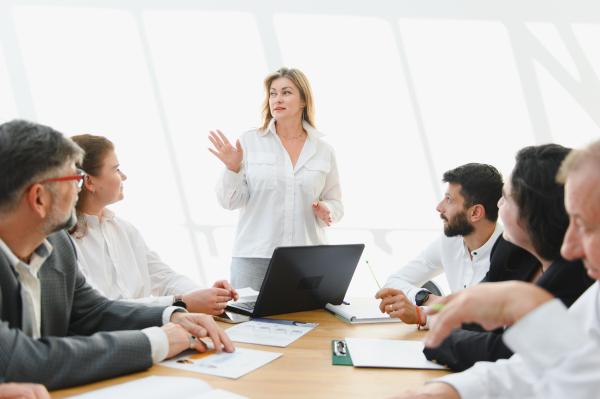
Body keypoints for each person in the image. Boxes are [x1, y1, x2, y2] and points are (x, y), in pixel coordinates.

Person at [0, 120, 234, 390]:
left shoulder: (57, 246)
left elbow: (93, 311)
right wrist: (159, 341)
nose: (79, 189)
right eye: (74, 179)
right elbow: (19, 360)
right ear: (39, 198)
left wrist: (172, 316)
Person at [393, 139, 600, 398]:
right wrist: (449, 390)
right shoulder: (508, 251)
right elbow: (533, 367)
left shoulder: (580, 277)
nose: (570, 248)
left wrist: (439, 331)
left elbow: (529, 358)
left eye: (585, 225)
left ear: (537, 213)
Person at [69, 134, 238, 315]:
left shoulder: (124, 229)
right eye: (116, 169)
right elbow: (104, 309)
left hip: (151, 328)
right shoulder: (67, 241)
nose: (124, 177)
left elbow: (163, 277)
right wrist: (183, 302)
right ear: (89, 182)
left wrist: (206, 295)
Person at [209, 67, 343, 290]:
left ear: (303, 101)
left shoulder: (323, 150)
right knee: (246, 323)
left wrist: (328, 209)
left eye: (286, 92)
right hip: (254, 258)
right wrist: (232, 168)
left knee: (309, 322)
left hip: (307, 259)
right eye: (273, 93)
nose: (277, 99)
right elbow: (230, 202)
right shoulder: (250, 141)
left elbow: (336, 203)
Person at [376, 163, 504, 326]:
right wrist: (426, 298)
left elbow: (484, 324)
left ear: (475, 212)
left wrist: (422, 316)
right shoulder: (451, 241)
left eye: (449, 200)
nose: (439, 207)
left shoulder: (511, 256)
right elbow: (394, 281)